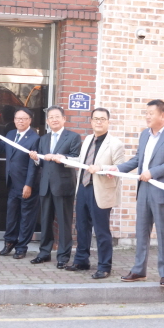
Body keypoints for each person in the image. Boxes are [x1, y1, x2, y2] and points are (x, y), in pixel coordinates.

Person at [112, 99, 164, 287]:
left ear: (163, 115)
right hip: (144, 189)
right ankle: (139, 270)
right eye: (146, 113)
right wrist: (117, 169)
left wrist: (152, 172)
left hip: (163, 191)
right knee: (141, 232)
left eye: (151, 113)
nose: (147, 116)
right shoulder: (145, 134)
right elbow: (138, 159)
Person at [62, 108, 124, 279]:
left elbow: (120, 168)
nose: (99, 122)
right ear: (91, 121)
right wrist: (63, 159)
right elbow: (82, 162)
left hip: (101, 191)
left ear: (108, 122)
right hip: (84, 187)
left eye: (102, 119)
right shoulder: (88, 139)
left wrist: (102, 168)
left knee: (101, 231)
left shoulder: (115, 144)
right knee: (81, 226)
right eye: (96, 119)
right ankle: (81, 260)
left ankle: (104, 266)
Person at [28, 106, 82, 268]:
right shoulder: (43, 139)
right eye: (51, 117)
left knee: (64, 222)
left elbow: (76, 159)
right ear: (47, 121)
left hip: (64, 185)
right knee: (45, 221)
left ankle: (63, 256)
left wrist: (62, 157)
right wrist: (36, 159)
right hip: (46, 185)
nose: (54, 120)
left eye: (57, 116)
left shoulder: (73, 137)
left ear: (64, 119)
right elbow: (42, 163)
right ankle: (44, 253)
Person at [0, 108, 39, 259]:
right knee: (11, 216)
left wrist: (29, 185)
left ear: (29, 120)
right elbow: (0, 148)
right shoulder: (10, 134)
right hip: (12, 184)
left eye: (23, 118)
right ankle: (9, 242)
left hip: (26, 185)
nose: (20, 121)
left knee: (26, 218)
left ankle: (21, 247)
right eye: (17, 118)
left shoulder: (35, 138)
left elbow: (33, 165)